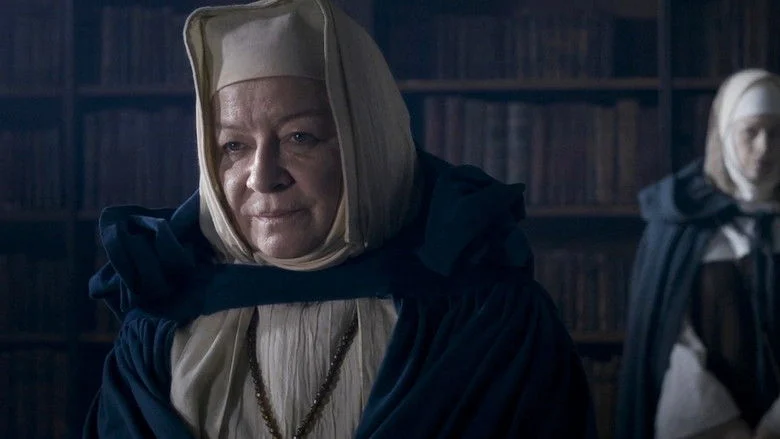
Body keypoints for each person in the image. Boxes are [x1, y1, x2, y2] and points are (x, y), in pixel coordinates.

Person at [82, 0, 596, 437]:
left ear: (369, 144)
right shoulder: (162, 326)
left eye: (299, 137)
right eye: (233, 146)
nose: (263, 177)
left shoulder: (487, 318)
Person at [617, 68, 780, 439]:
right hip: (704, 421)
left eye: (777, 132)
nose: (765, 148)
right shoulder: (680, 221)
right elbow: (671, 338)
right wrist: (722, 425)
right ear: (725, 134)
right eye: (751, 132)